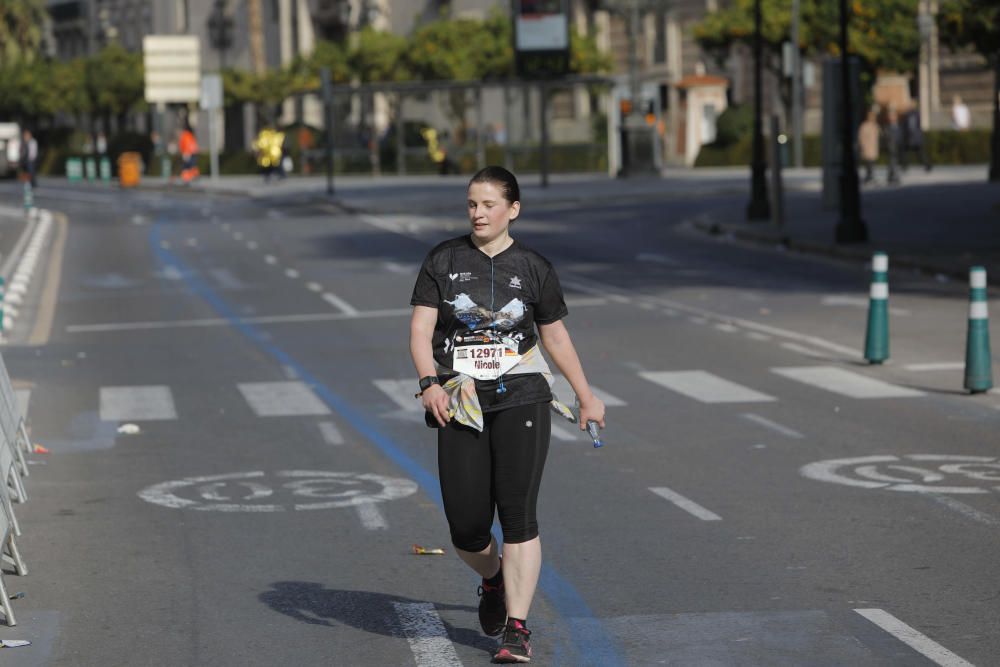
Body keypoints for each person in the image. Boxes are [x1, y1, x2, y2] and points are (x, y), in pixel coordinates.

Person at [409, 166, 605, 664]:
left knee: (518, 516)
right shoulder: (443, 259)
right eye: (472, 204)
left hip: (523, 394)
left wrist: (586, 394)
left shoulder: (534, 267)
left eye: (489, 204)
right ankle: (492, 579)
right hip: (461, 398)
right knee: (466, 525)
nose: (478, 213)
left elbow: (555, 336)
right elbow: (420, 328)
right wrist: (429, 383)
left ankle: (517, 628)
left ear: (512, 209)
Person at [901, 106, 932, 172]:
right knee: (917, 153)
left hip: (913, 138)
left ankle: (905, 166)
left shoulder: (910, 115)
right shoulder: (916, 114)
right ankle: (927, 165)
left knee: (916, 153)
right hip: (916, 138)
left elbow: (910, 127)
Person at [858, 108, 880, 184]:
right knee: (868, 165)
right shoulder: (864, 126)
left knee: (872, 165)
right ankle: (868, 178)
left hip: (873, 149)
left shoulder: (875, 126)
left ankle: (870, 177)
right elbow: (861, 138)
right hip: (867, 149)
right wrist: (863, 147)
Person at [883, 106, 902, 186]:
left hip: (897, 147)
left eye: (893, 116)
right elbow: (886, 138)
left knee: (893, 162)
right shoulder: (887, 127)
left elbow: (900, 136)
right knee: (893, 162)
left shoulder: (898, 126)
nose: (892, 118)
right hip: (891, 147)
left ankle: (890, 177)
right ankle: (895, 177)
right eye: (890, 116)